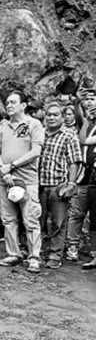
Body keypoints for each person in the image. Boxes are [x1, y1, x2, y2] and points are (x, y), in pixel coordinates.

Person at [0, 91, 45, 273]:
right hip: (3, 179)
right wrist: (2, 168)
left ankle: (34, 256)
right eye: (7, 102)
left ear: (23, 105)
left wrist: (12, 165)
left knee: (30, 218)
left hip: (26, 179)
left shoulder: (34, 124)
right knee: (8, 218)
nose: (9, 105)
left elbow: (35, 151)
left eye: (13, 102)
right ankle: (13, 253)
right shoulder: (3, 126)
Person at [38, 102, 81, 269]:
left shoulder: (69, 135)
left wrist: (71, 183)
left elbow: (74, 162)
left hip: (58, 185)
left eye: (56, 114)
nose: (51, 117)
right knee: (37, 220)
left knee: (59, 222)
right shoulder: (40, 133)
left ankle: (55, 254)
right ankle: (37, 251)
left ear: (63, 117)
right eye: (49, 114)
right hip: (39, 184)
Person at [69, 89, 96, 269]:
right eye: (88, 100)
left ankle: (93, 252)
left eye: (93, 99)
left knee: (94, 218)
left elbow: (85, 140)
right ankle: (72, 246)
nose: (90, 103)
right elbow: (81, 129)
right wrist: (78, 103)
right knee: (77, 212)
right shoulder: (87, 122)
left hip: (93, 175)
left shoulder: (88, 125)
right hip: (84, 175)